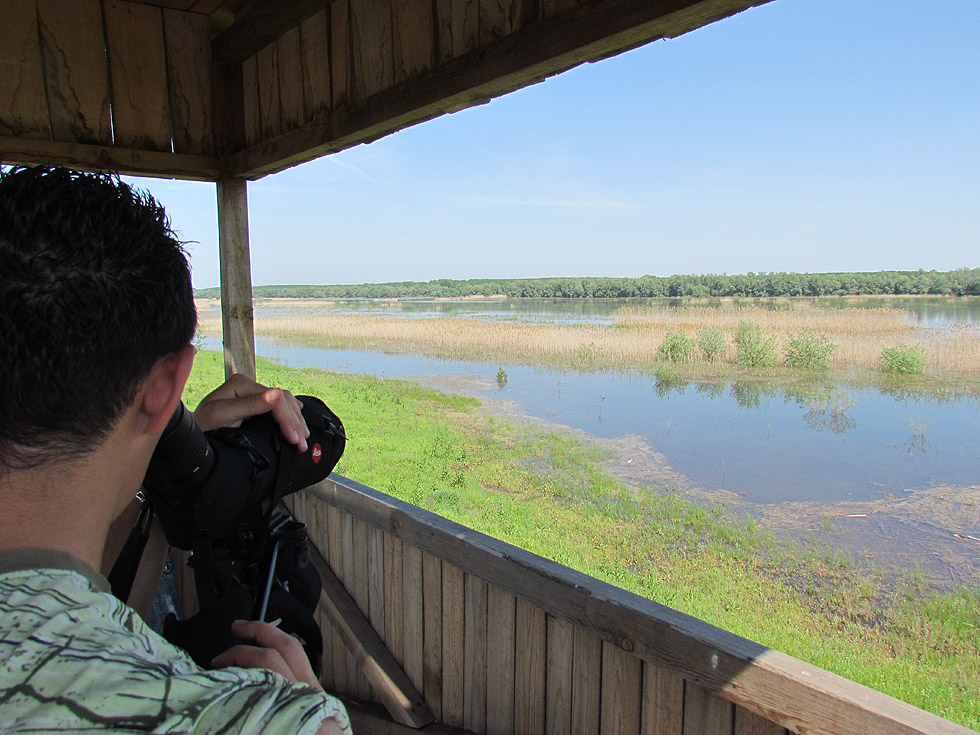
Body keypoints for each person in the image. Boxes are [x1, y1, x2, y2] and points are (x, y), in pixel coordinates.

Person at [0, 166, 351, 735]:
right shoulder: (252, 720)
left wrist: (168, 461)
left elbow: (92, 606)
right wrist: (300, 709)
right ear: (168, 384)